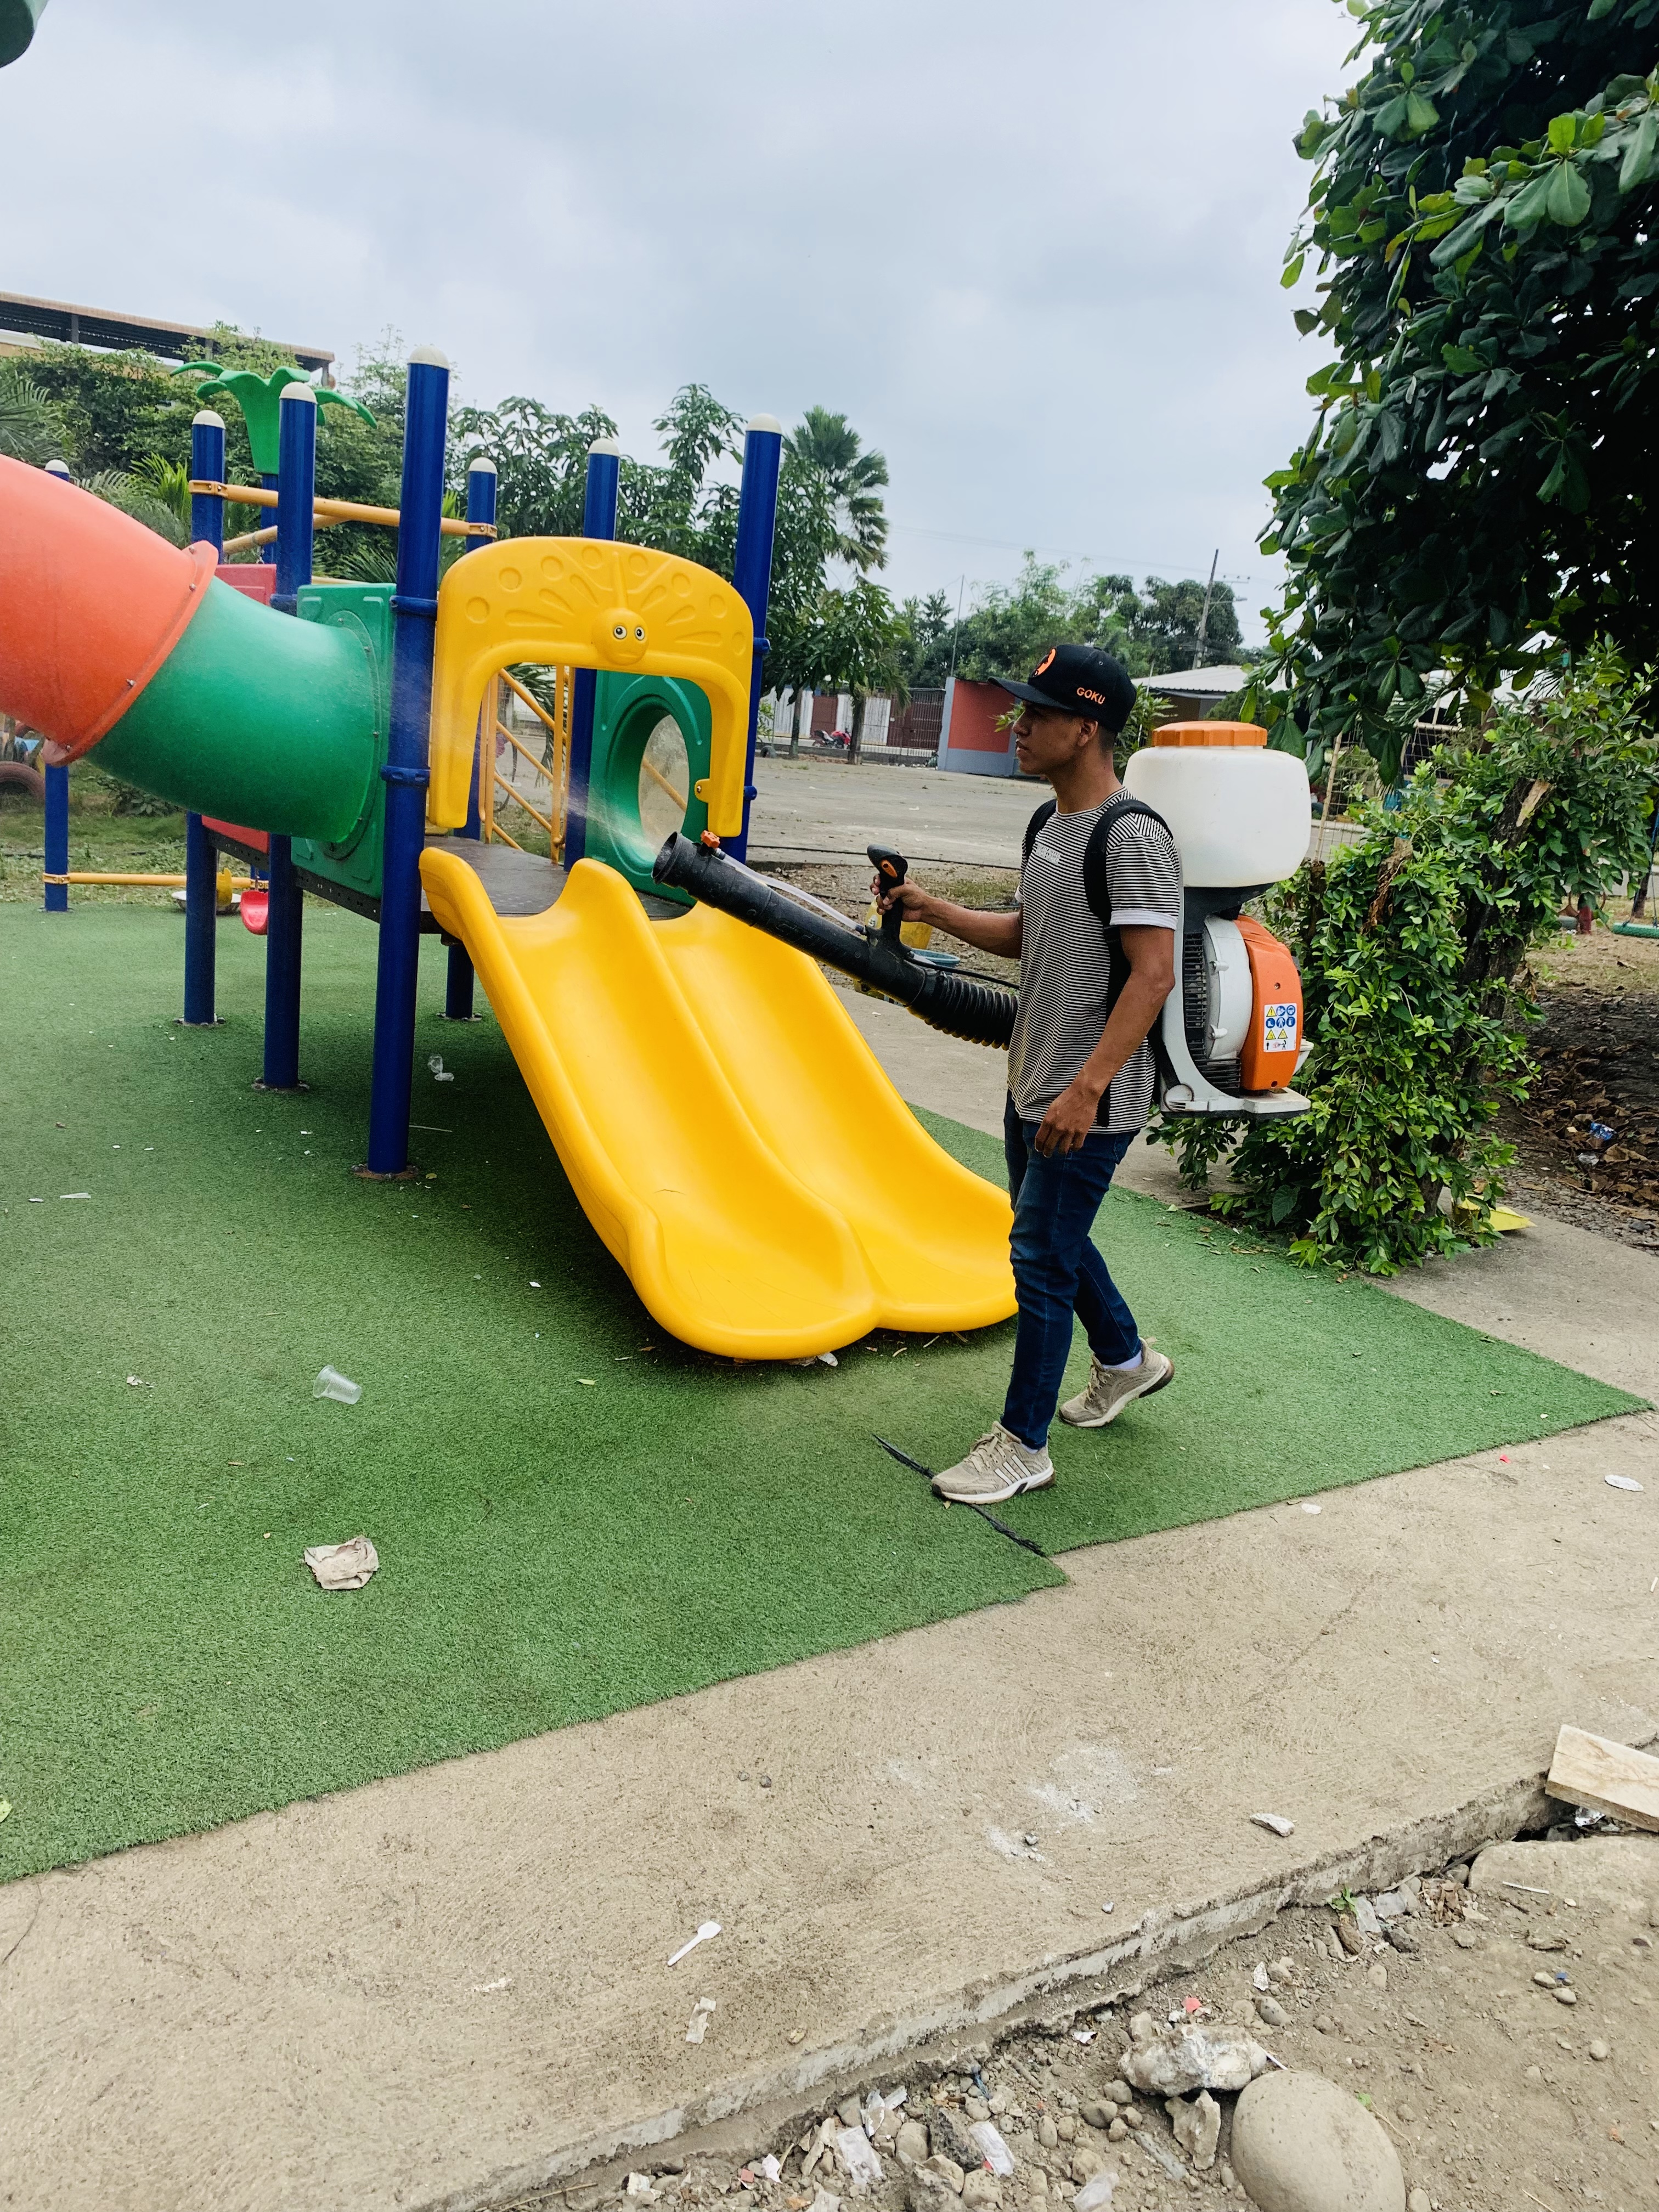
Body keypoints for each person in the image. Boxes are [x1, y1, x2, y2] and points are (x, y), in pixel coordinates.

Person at [876, 644, 1181, 1503]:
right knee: (1052, 1234)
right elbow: (1029, 931)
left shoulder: (1133, 836)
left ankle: (1023, 1446)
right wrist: (936, 909)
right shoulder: (1050, 824)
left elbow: (1154, 975)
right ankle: (1125, 1360)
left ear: (1086, 729)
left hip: (1092, 1095)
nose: (1019, 725)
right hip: (1034, 1076)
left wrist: (1088, 1088)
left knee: (1040, 1256)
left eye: (1039, 713)